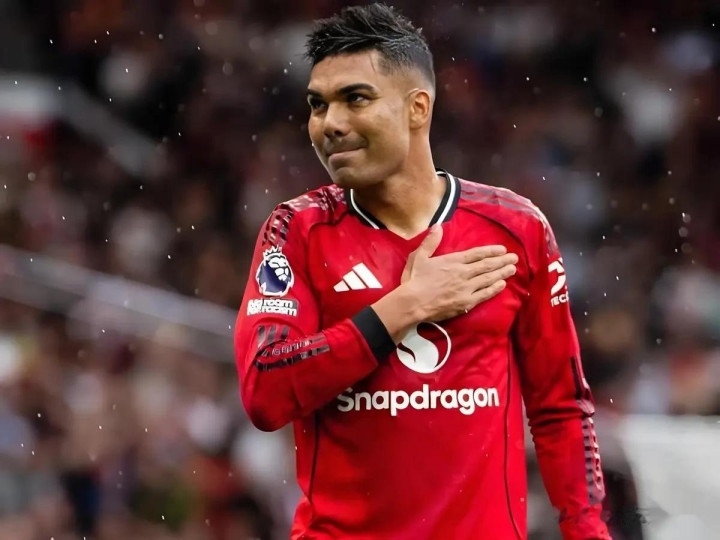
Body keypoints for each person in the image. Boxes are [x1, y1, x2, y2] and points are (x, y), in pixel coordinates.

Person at [234, 3, 609, 539]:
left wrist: (588, 532)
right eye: (318, 105)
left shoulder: (516, 229)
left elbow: (561, 409)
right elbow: (265, 390)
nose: (330, 124)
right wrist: (404, 308)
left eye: (355, 98)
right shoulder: (296, 230)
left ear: (417, 108)